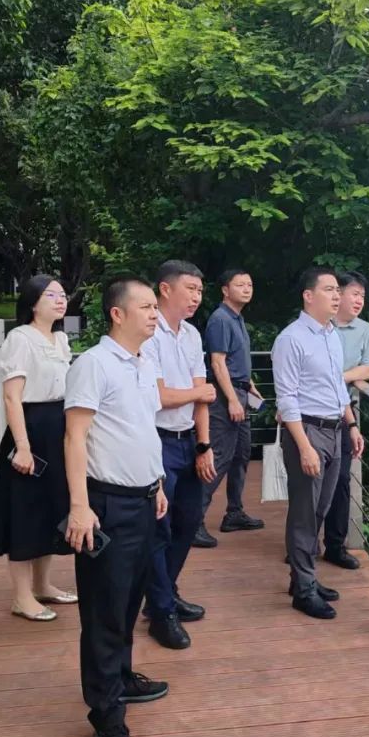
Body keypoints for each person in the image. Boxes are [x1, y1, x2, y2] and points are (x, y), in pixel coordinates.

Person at [63, 276, 170, 737]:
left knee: (129, 602)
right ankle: (106, 716)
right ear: (117, 314)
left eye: (155, 307)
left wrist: (158, 483)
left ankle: (121, 677)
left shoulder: (144, 363)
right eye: (145, 306)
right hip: (106, 505)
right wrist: (79, 506)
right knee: (104, 612)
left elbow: (143, 429)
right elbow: (75, 437)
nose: (154, 314)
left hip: (145, 500)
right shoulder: (93, 364)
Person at [272, 266, 365, 619]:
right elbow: (287, 398)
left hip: (335, 430)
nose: (337, 295)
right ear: (308, 296)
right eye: (329, 289)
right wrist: (304, 446)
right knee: (304, 514)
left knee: (320, 509)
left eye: (338, 290)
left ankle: (304, 577)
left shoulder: (330, 336)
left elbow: (337, 387)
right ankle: (304, 590)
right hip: (307, 431)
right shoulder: (291, 339)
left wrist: (351, 425)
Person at [0, 276, 76, 621]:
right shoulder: (19, 339)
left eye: (63, 294)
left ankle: (42, 585)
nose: (60, 300)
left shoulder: (61, 339)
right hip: (30, 430)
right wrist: (22, 447)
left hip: (57, 428)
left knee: (51, 508)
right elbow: (12, 397)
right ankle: (22, 597)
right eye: (51, 295)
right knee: (25, 512)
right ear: (33, 302)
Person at [140, 260, 216, 650]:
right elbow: (159, 396)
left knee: (188, 520)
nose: (197, 297)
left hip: (188, 440)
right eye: (191, 289)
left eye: (200, 290)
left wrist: (204, 445)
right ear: (165, 289)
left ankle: (164, 593)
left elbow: (201, 395)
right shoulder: (148, 334)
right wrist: (197, 393)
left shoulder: (191, 334)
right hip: (157, 440)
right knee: (159, 526)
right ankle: (161, 611)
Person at [199, 268, 264, 539]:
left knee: (240, 455)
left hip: (240, 392)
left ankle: (234, 512)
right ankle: (194, 520)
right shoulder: (221, 319)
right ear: (225, 290)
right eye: (240, 285)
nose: (247, 289)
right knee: (220, 456)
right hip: (226, 397)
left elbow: (237, 361)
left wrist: (250, 386)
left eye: (249, 284)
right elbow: (217, 363)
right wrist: (232, 400)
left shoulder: (237, 318)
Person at [322, 271, 369, 570]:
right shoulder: (320, 324)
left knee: (342, 480)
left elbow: (367, 369)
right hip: (312, 411)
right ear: (338, 294)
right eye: (354, 294)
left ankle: (335, 545)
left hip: (344, 414)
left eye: (362, 296)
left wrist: (338, 378)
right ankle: (302, 544)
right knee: (310, 481)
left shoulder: (367, 331)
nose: (359, 301)